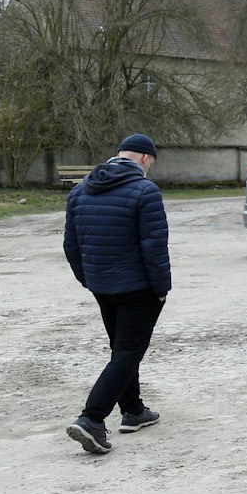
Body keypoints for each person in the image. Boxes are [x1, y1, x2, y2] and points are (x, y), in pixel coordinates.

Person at [62, 134, 171, 455]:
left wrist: (89, 279)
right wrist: (161, 288)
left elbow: (71, 245)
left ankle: (134, 411)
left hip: (101, 285)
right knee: (128, 352)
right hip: (138, 288)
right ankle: (91, 419)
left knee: (121, 349)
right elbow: (154, 247)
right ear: (145, 159)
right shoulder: (145, 191)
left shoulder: (80, 190)